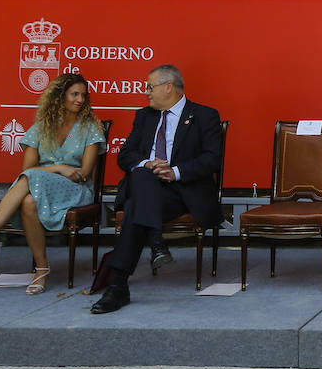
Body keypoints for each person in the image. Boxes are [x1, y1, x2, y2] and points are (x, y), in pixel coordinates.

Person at [0, 73, 105, 294]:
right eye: (74, 94)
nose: (80, 99)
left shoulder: (90, 128)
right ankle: (42, 270)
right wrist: (58, 168)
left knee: (31, 179)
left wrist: (53, 172)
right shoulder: (41, 128)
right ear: (59, 97)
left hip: (77, 190)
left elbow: (84, 173)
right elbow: (27, 170)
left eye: (83, 95)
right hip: (40, 186)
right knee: (29, 201)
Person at [91, 64, 223, 314]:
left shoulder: (205, 115)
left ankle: (119, 286)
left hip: (181, 192)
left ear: (168, 87)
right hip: (148, 188)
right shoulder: (144, 116)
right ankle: (155, 246)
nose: (147, 93)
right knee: (142, 174)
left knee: (134, 207)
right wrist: (149, 164)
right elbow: (126, 156)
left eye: (150, 87)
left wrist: (175, 171)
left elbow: (212, 159)